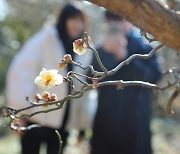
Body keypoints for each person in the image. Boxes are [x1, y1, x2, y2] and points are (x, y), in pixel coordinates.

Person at [6, 3, 94, 154]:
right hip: (36, 119)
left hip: (63, 124)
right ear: (64, 19)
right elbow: (21, 74)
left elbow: (82, 88)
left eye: (81, 21)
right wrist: (19, 113)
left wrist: (81, 127)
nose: (78, 25)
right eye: (73, 19)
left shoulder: (83, 51)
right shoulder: (44, 40)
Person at [91, 11, 162, 154]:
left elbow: (154, 77)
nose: (115, 23)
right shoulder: (101, 49)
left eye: (120, 19)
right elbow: (91, 79)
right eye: (111, 19)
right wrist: (106, 53)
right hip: (106, 124)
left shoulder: (144, 48)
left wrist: (126, 57)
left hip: (136, 123)